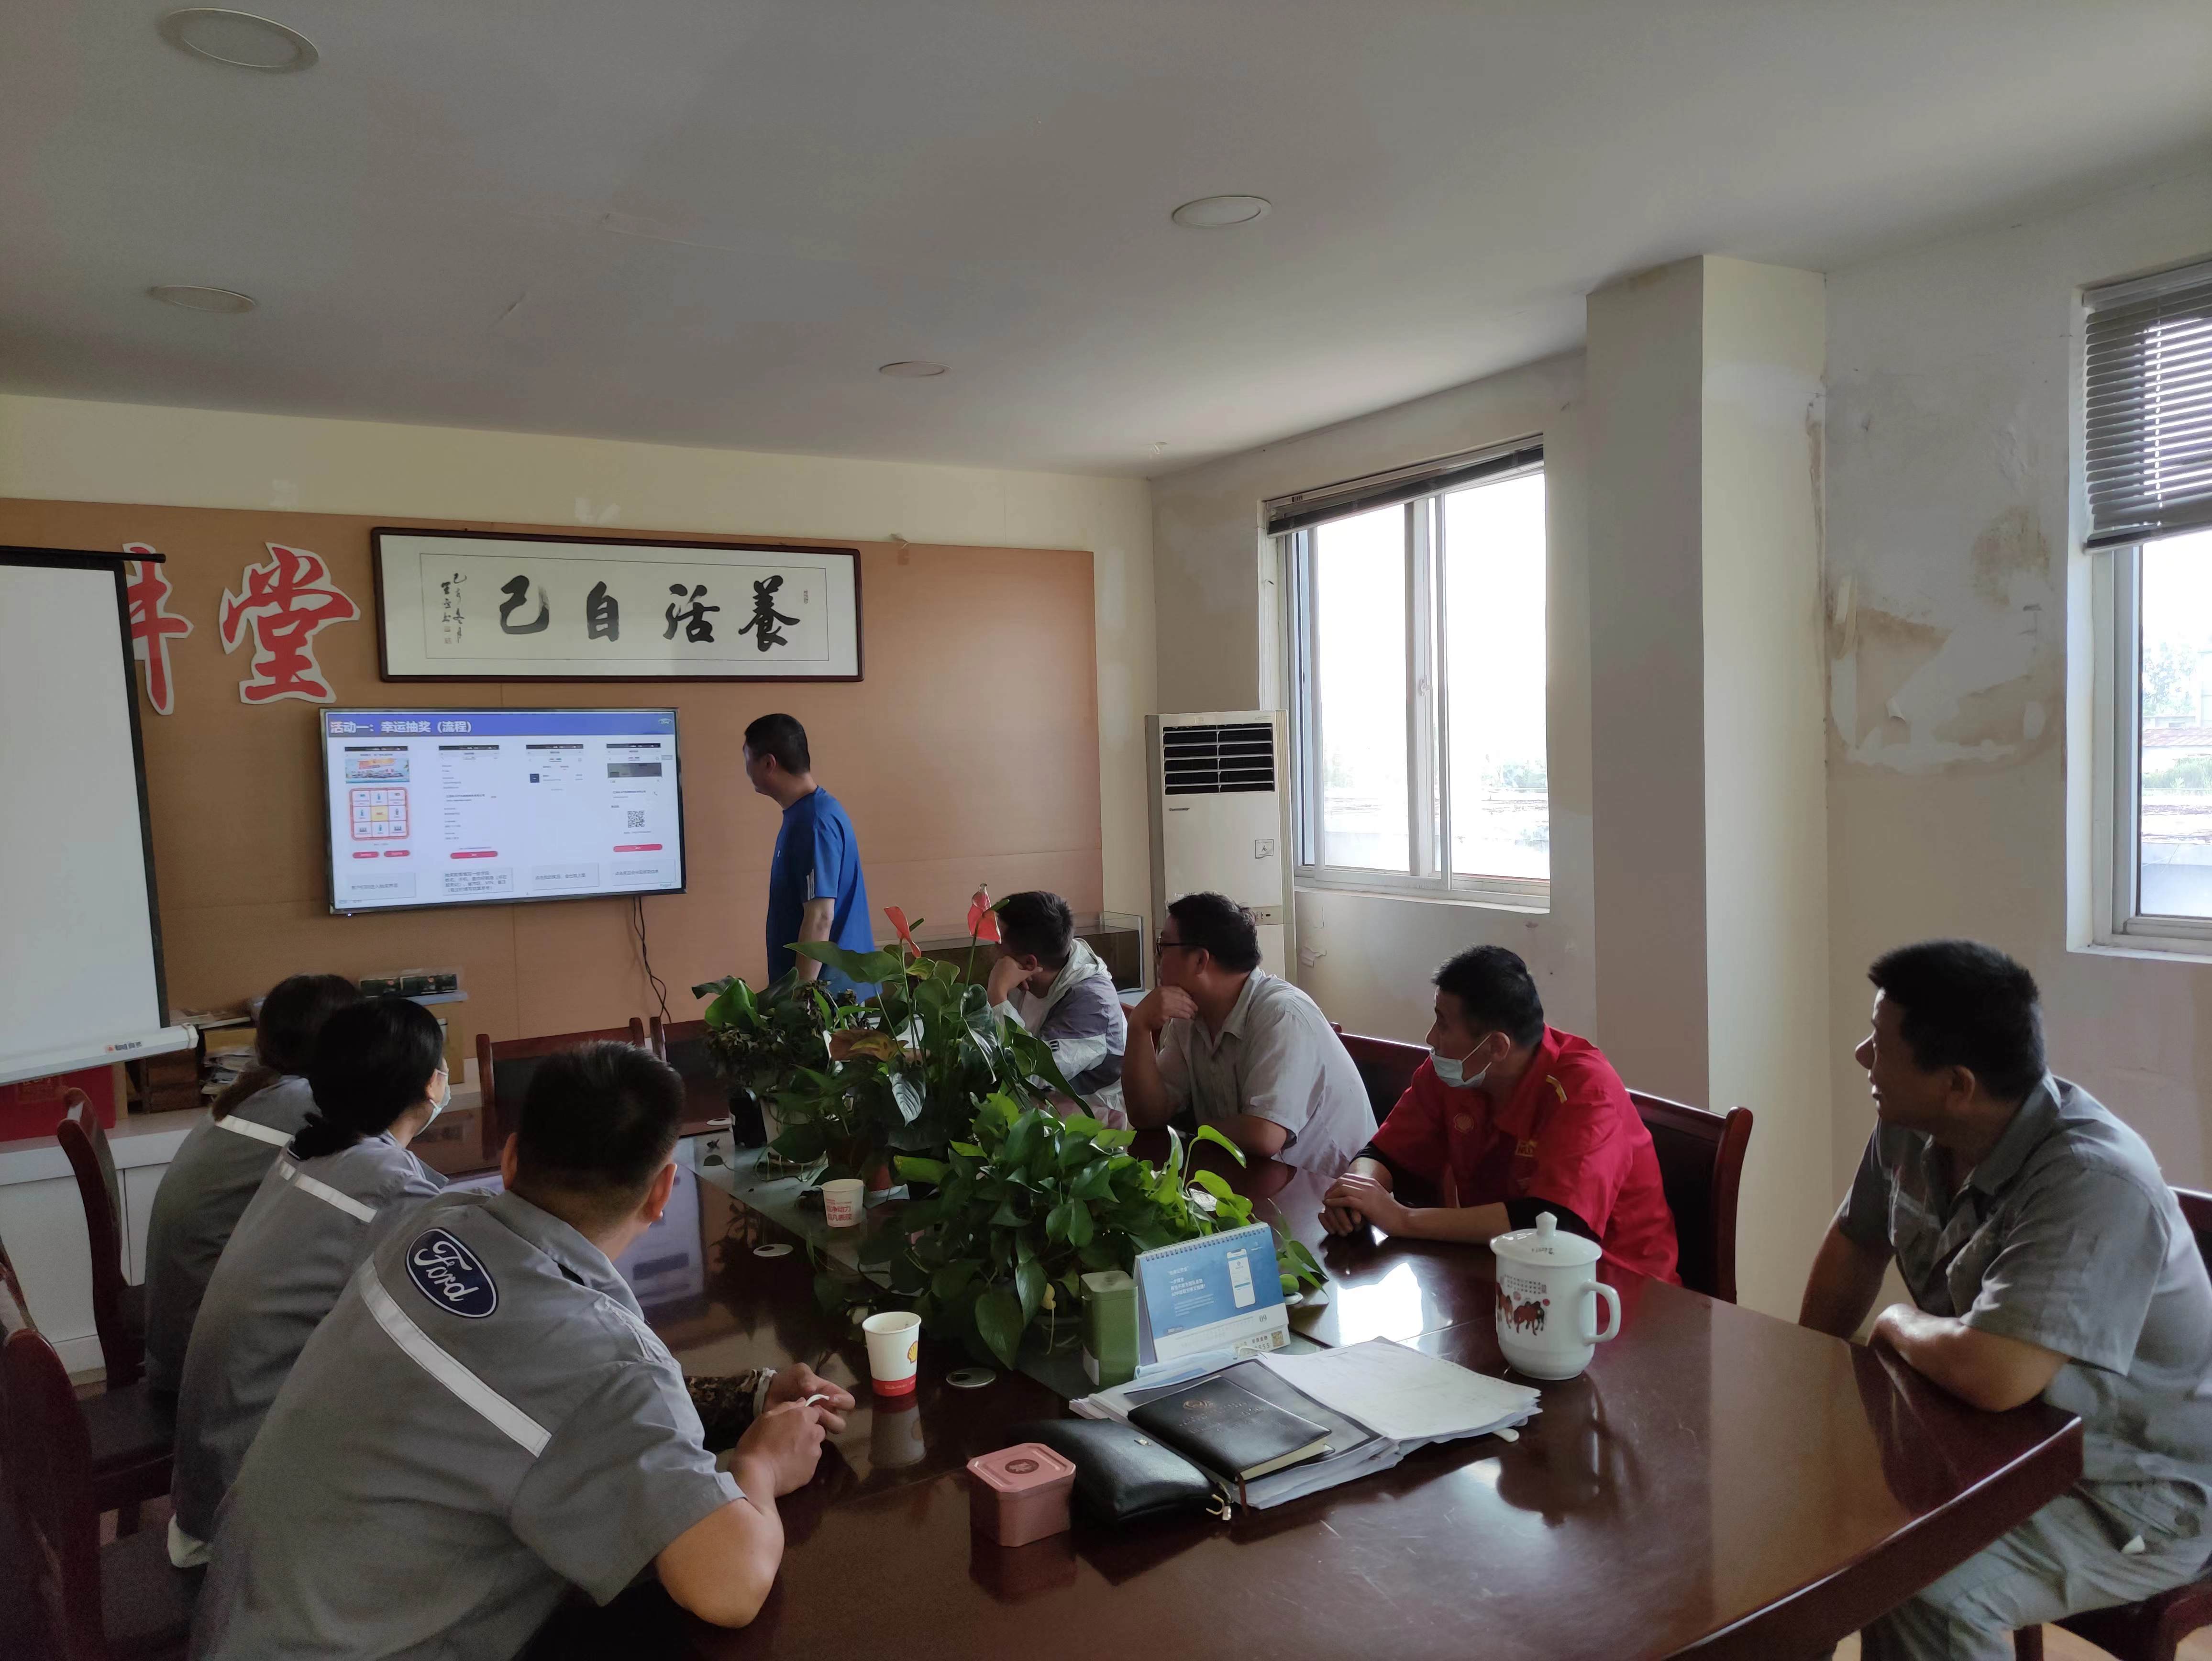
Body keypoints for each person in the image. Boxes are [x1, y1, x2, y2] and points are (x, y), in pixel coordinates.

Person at [189, 1042, 854, 1658]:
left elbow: (541, 1403)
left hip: (239, 1622)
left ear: (510, 1159)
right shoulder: (606, 1361)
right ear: (661, 1192)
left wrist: (748, 1395)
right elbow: (728, 1586)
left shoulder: (432, 1223)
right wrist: (761, 1464)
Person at [1800, 940, 2212, 1661]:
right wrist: (1809, 1379)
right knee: (1796, 1521)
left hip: (2136, 1486)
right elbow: (1856, 1240)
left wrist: (1896, 1321)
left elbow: (1996, 1375)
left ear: (1957, 1085)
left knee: (1921, 1588)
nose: (1863, 1056)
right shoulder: (1912, 1124)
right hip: (1997, 1443)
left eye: (1882, 1045)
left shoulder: (2092, 1180)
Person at [169, 996, 449, 1563]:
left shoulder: (310, 1153)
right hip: (249, 1517)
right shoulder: (387, 1183)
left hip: (210, 1472)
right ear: (428, 1084)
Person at [1318, 945, 1679, 1282]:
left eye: (1443, 1024)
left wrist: (1403, 1219)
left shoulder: (1586, 1091)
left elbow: (1554, 1223)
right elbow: (1386, 1153)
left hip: (1611, 1288)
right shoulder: (1457, 1070)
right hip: (1504, 1273)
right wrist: (1356, 1194)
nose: (1431, 1037)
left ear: (1495, 1046)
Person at [141, 973, 360, 1396]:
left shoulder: (257, 1090)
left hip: (180, 1342)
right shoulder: (306, 1105)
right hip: (210, 1373)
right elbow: (385, 1187)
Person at [1121, 891, 1375, 1244]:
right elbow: (1147, 1116)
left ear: (1200, 960)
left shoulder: (1281, 1014)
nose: (1158, 959)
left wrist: (1188, 1129)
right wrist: (1139, 1028)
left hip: (1332, 1211)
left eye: (1164, 946)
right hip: (1252, 1191)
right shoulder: (1189, 1016)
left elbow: (1263, 1135)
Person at [744, 711, 876, 997]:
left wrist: (802, 997)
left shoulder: (814, 823)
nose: (746, 770)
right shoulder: (806, 814)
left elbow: (820, 917)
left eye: (747, 760)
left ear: (768, 763)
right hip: (824, 994)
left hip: (828, 1000)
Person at [986, 889, 1129, 1123]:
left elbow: (1027, 1073)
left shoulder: (1093, 1007)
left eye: (997, 942)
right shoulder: (1033, 971)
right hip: (1038, 1112)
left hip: (1086, 1130)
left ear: (1029, 962)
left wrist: (998, 995)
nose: (992, 951)